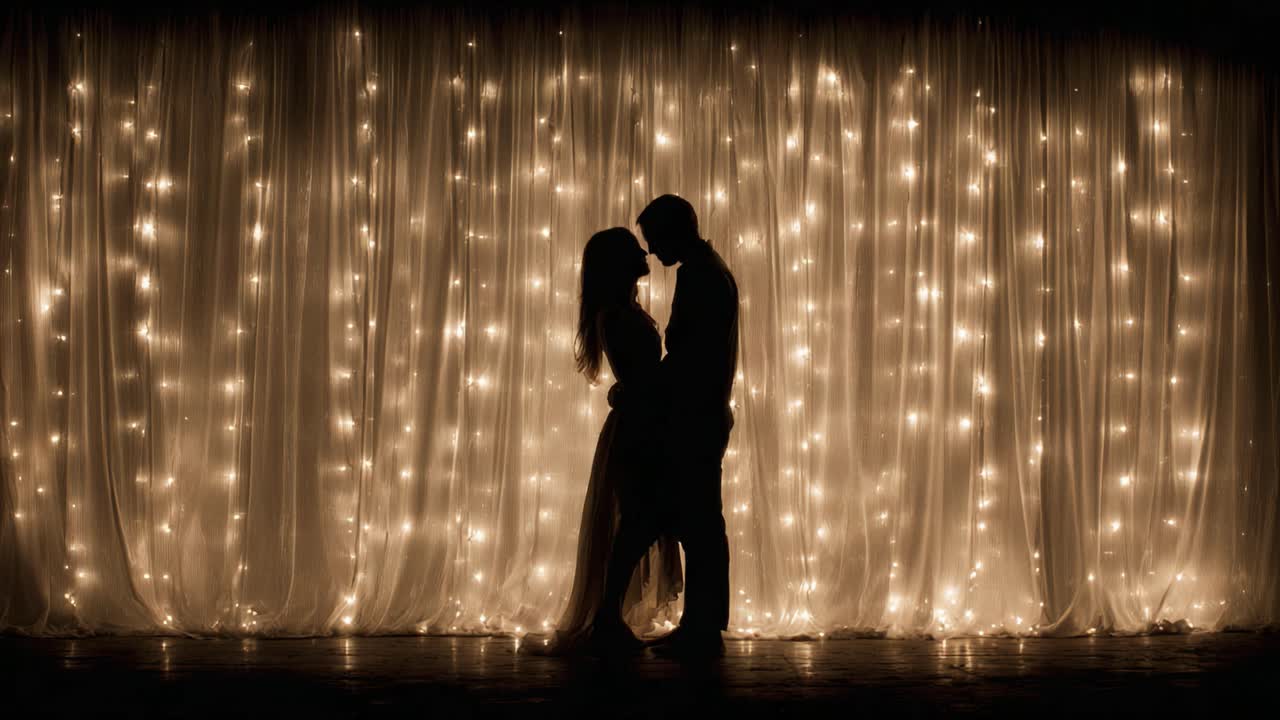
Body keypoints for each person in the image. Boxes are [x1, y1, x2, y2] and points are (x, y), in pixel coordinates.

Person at [523, 227, 683, 657]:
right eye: (634, 249)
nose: (644, 251)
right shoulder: (618, 314)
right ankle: (608, 617)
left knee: (639, 522)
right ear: (617, 263)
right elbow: (643, 375)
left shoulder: (622, 310)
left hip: (640, 420)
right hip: (640, 427)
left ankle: (610, 616)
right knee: (637, 522)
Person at [600, 194, 740, 659]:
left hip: (694, 417)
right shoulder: (706, 269)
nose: (652, 252)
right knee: (693, 522)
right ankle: (700, 625)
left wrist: (641, 389)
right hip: (695, 414)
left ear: (676, 230)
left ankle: (700, 629)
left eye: (655, 240)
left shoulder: (700, 274)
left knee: (695, 523)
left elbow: (688, 357)